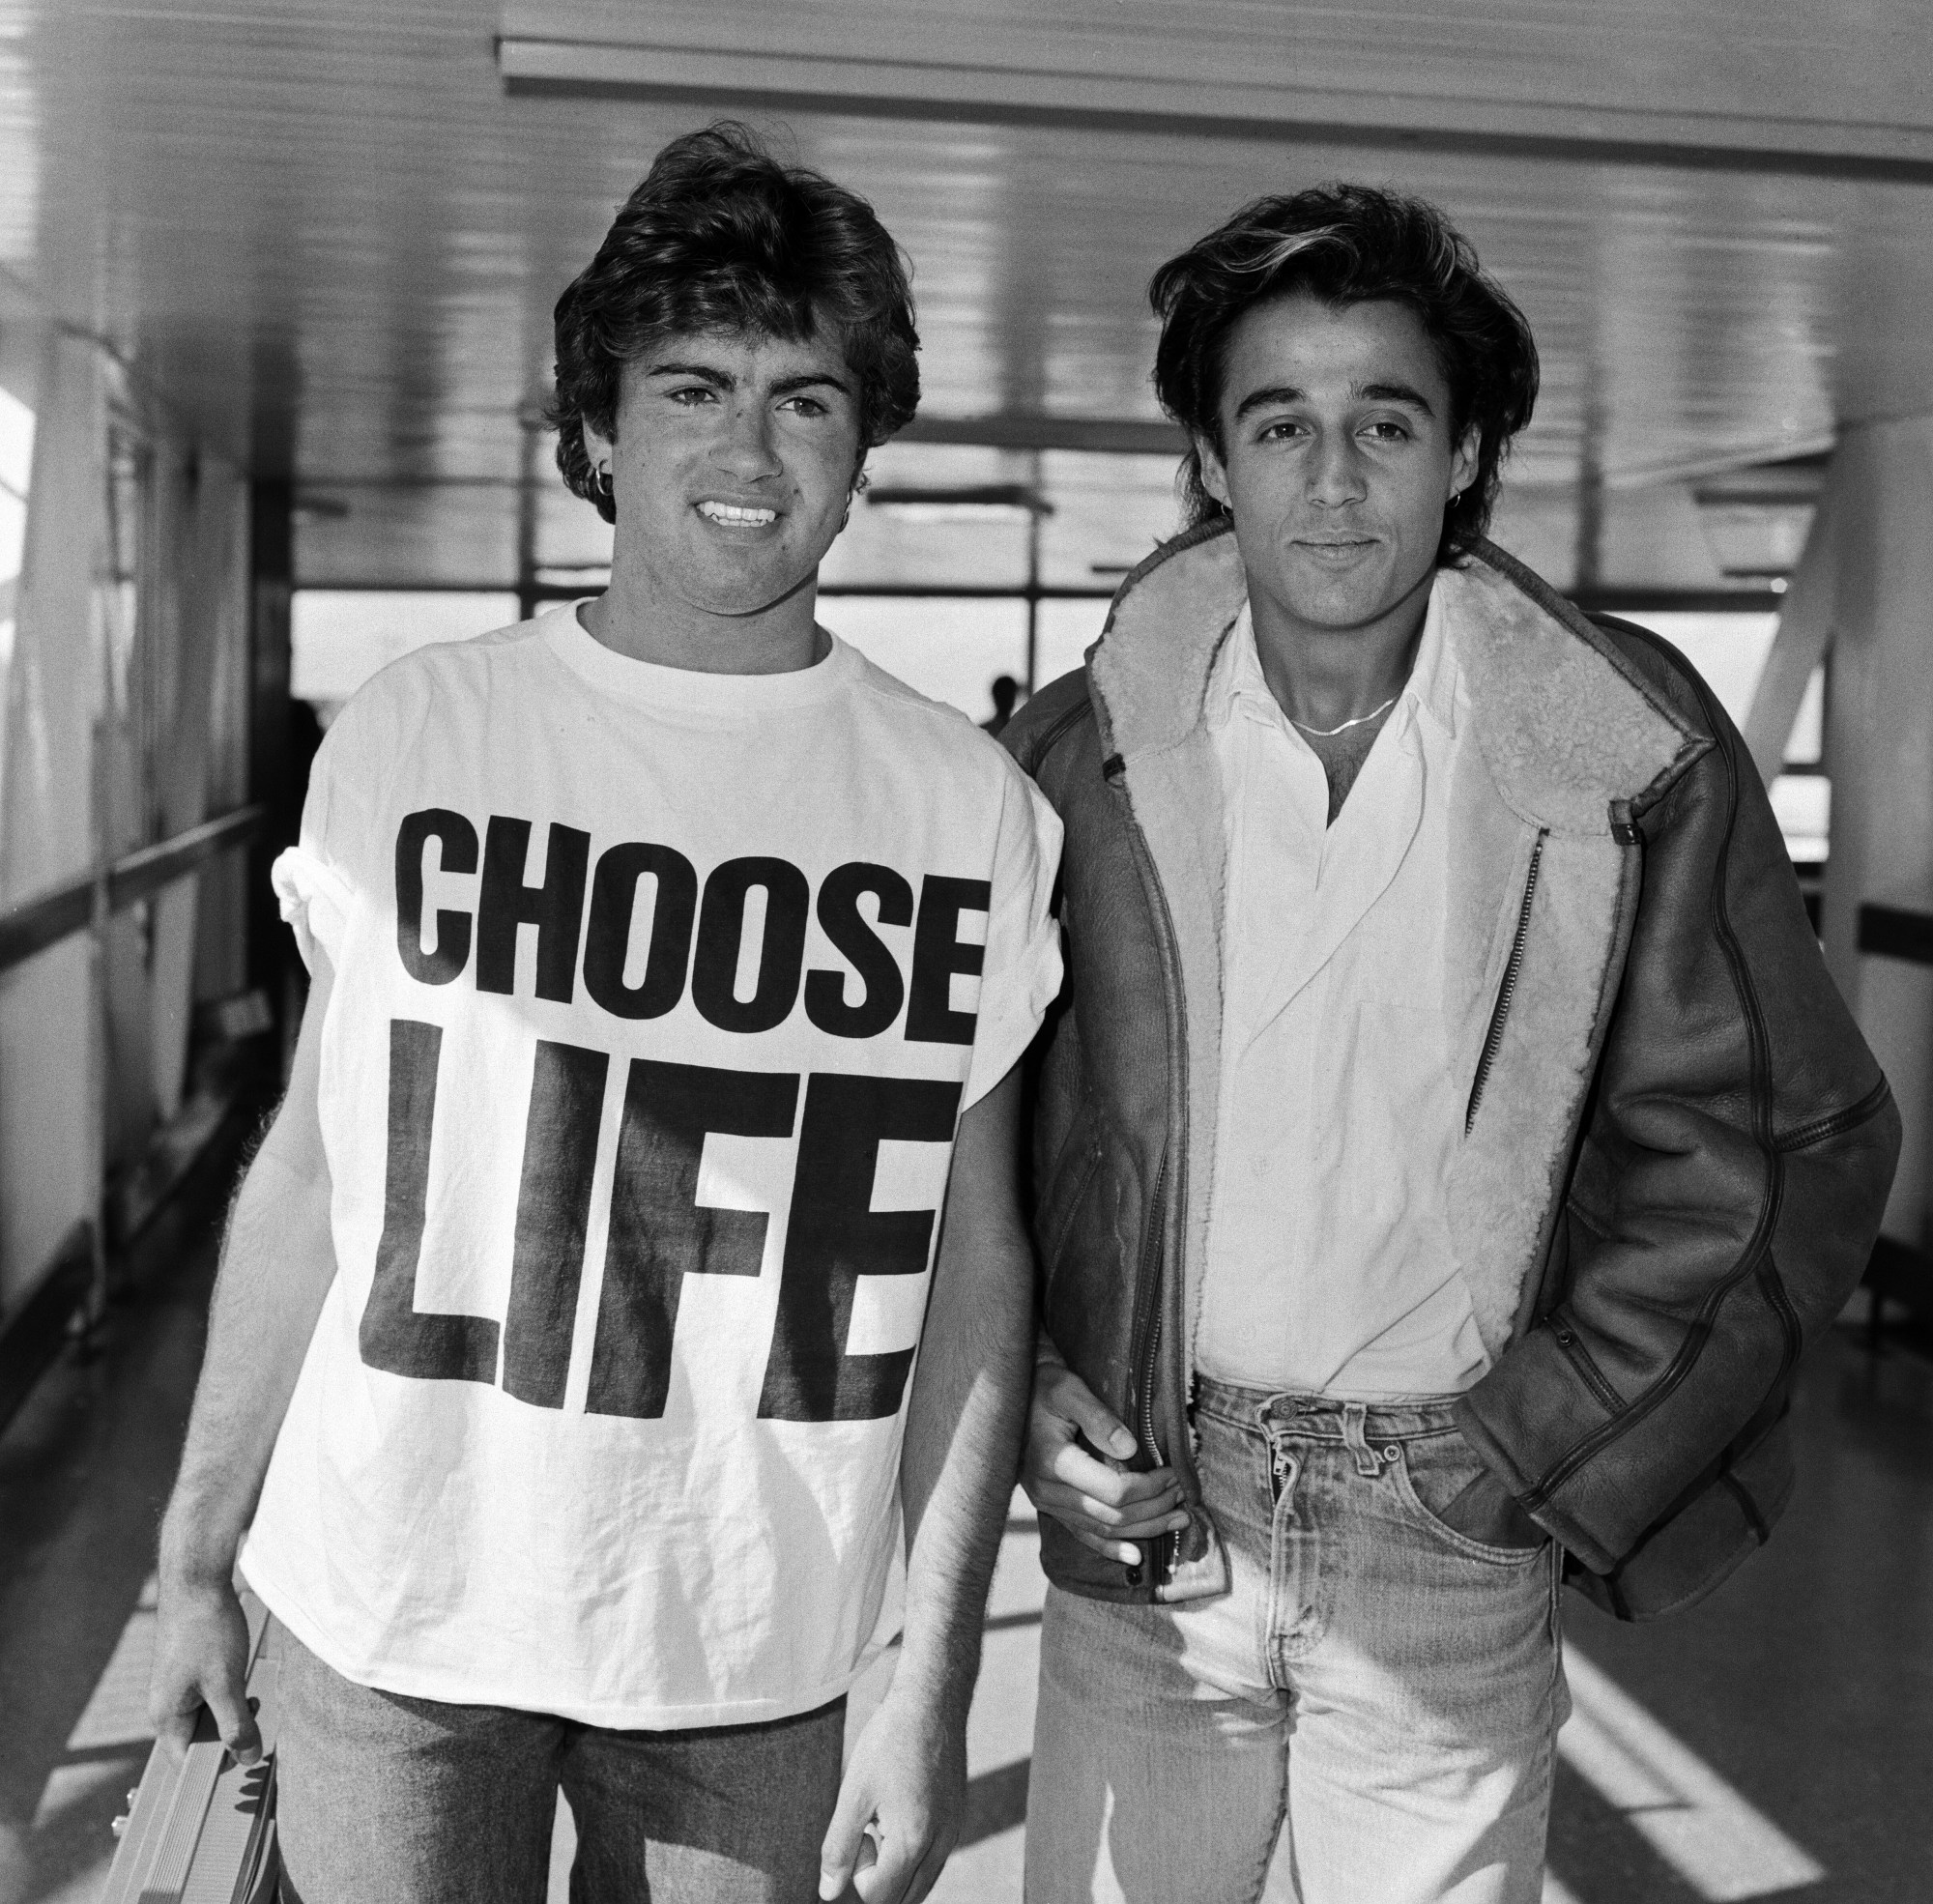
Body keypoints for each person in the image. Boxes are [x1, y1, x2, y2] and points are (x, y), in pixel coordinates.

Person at [148, 123, 1061, 1904]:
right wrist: (198, 1543)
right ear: (598, 430)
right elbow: (323, 1183)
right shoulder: (417, 740)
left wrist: (932, 1671)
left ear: (863, 447)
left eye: (806, 399)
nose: (747, 445)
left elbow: (974, 1263)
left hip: (749, 1642)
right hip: (395, 1617)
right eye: (691, 385)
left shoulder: (965, 813)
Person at [1002, 183, 1898, 1903]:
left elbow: (1798, 1134)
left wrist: (1536, 1447)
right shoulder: (1082, 756)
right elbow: (995, 1134)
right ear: (1213, 456)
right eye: (1280, 424)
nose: (1331, 479)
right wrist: (1045, 1378)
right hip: (1150, 1529)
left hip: (1447, 1527)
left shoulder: (1623, 749)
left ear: (1467, 450)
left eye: (1384, 422)